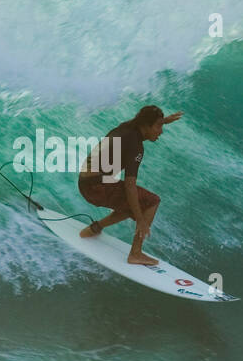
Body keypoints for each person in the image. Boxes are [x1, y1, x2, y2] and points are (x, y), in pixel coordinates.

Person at [77, 105, 182, 265]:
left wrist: (164, 121)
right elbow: (129, 185)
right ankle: (135, 253)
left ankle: (94, 229)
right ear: (146, 126)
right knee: (151, 201)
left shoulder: (127, 128)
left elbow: (143, 122)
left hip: (87, 183)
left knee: (134, 203)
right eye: (158, 126)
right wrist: (140, 220)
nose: (161, 131)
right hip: (96, 187)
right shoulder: (136, 146)